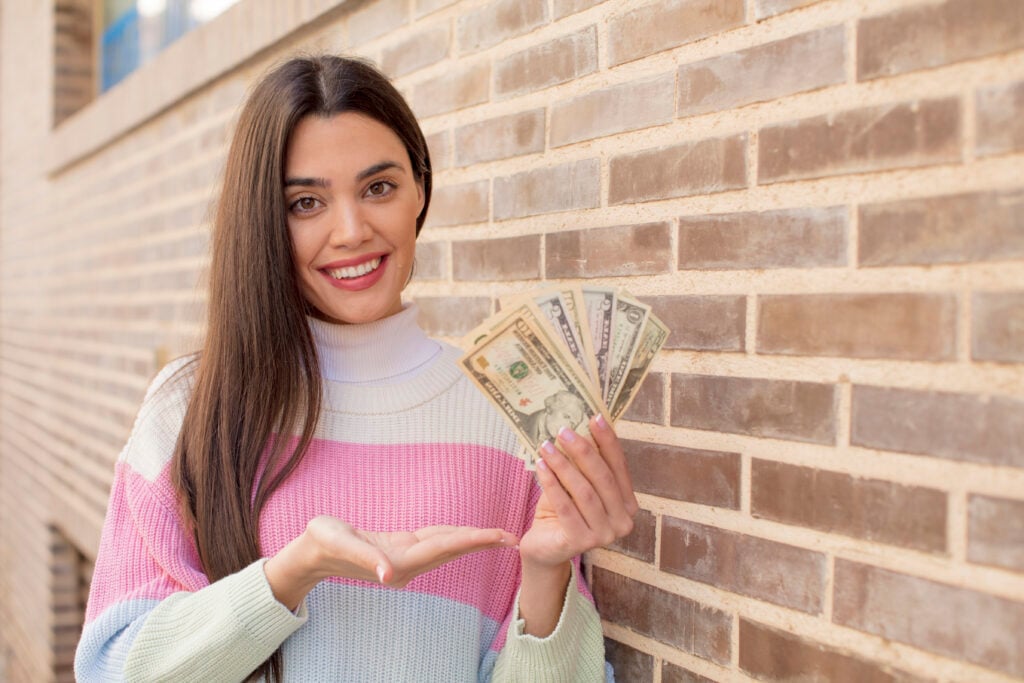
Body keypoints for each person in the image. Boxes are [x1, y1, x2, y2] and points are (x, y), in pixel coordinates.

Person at [75, 55, 638, 682]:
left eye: (379, 188)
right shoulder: (191, 407)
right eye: (306, 202)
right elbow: (112, 669)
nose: (351, 231)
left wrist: (547, 572)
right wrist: (292, 573)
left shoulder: (511, 407)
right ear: (264, 221)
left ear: (420, 189)